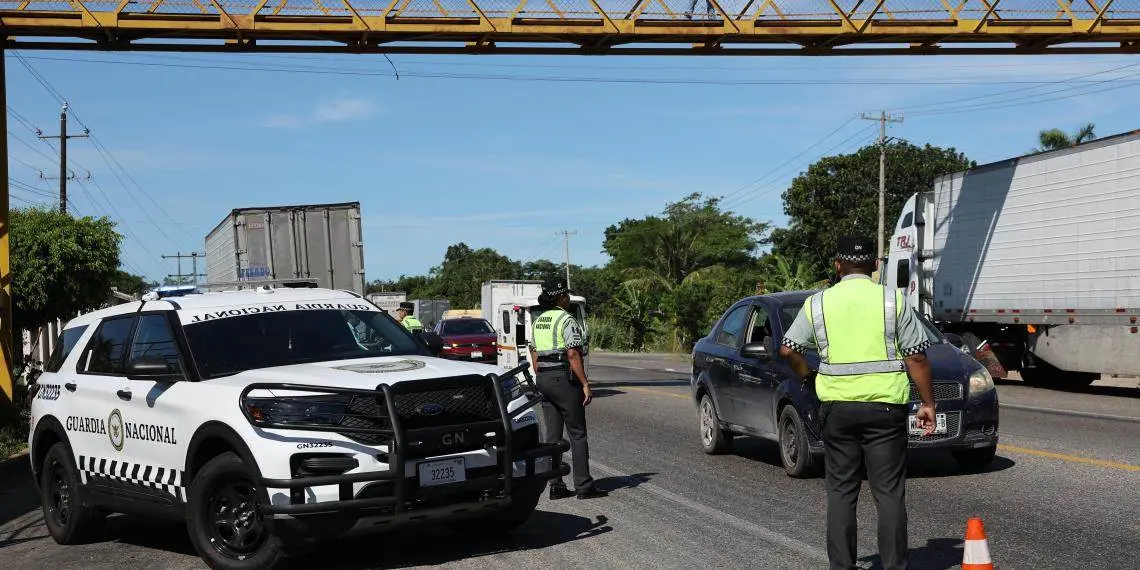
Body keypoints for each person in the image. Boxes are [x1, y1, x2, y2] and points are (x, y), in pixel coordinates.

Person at [778, 234, 938, 570]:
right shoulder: (892, 301)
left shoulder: (817, 303)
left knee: (840, 492)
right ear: (875, 266)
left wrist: (809, 376)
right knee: (889, 493)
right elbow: (917, 359)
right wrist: (928, 404)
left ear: (837, 266)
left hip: (837, 411)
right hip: (885, 410)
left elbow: (788, 350)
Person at [528, 283, 606, 500]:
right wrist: (584, 383)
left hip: (543, 378)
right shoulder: (566, 319)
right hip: (562, 378)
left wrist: (541, 372)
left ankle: (555, 485)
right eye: (566, 295)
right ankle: (584, 486)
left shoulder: (539, 320)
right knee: (577, 434)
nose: (568, 298)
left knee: (553, 435)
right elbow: (573, 354)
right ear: (560, 298)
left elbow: (533, 351)